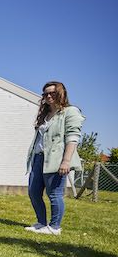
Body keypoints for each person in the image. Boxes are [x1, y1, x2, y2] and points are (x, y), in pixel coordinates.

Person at [25, 81, 85, 235]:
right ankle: (41, 223)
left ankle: (54, 227)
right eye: (45, 93)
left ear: (61, 93)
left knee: (54, 194)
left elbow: (72, 138)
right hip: (39, 158)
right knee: (33, 192)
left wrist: (66, 161)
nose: (49, 96)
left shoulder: (70, 112)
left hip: (56, 159)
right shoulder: (45, 115)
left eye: (53, 92)